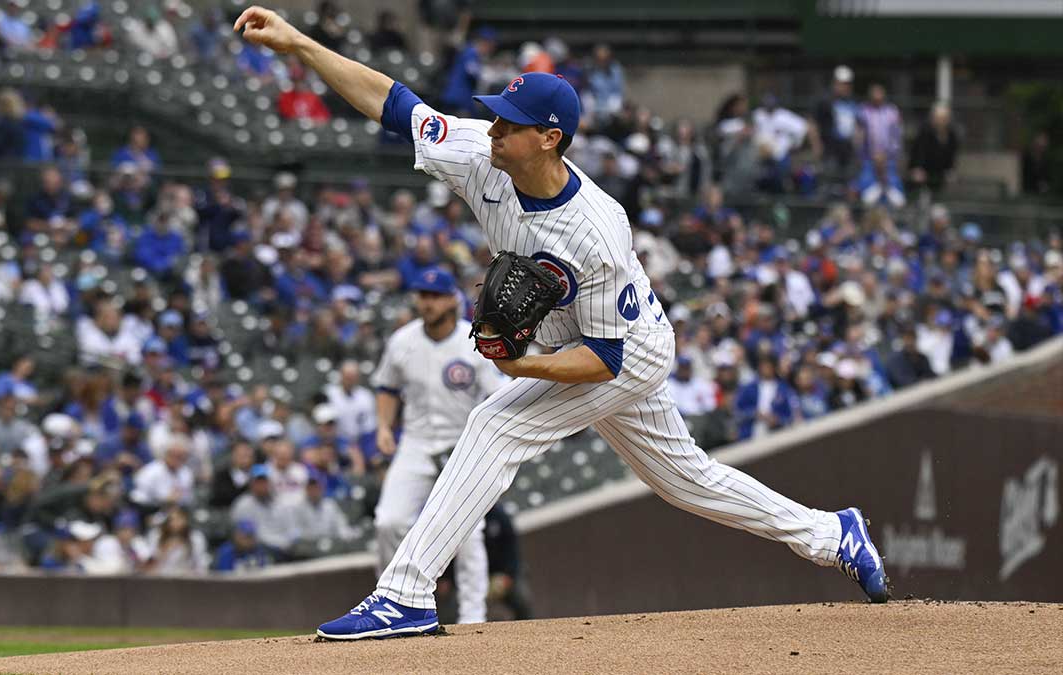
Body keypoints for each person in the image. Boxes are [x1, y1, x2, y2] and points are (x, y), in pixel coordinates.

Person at [234, 7, 891, 641]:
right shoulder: (476, 154)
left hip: (624, 351)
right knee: (687, 479)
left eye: (509, 123)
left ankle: (404, 592)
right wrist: (300, 46)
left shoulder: (598, 232)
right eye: (495, 114)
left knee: (496, 421)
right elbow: (391, 101)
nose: (492, 128)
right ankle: (833, 534)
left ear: (549, 137)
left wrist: (520, 367)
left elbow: (605, 357)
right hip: (575, 338)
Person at [368, 267, 506, 625]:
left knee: (468, 532)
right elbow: (387, 387)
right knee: (388, 521)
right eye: (421, 296)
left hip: (461, 444)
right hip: (416, 442)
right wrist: (384, 426)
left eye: (433, 296)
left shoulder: (475, 341)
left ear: (451, 300)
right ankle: (390, 600)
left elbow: (498, 395)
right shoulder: (402, 340)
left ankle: (473, 617)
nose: (426, 303)